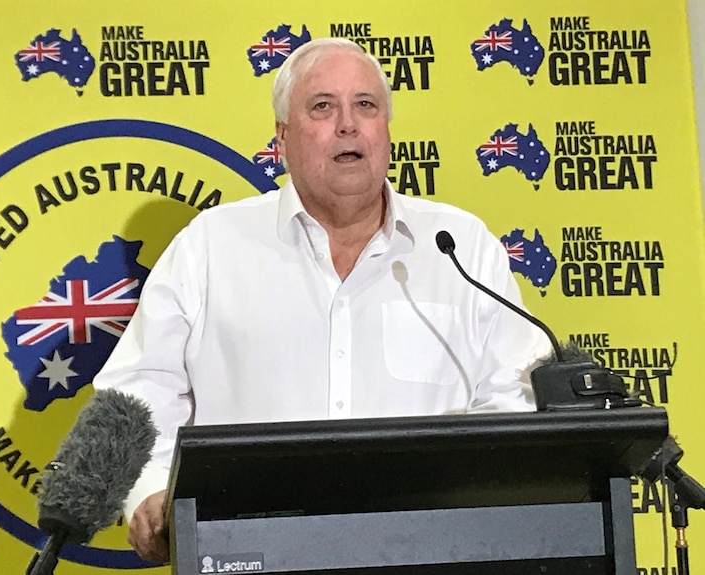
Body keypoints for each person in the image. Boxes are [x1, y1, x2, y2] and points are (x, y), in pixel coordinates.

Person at [92, 37, 552, 564]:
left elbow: (513, 397)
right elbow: (137, 388)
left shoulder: (460, 247)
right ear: (283, 138)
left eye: (366, 106)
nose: (348, 125)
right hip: (248, 548)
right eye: (323, 107)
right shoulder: (212, 247)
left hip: (431, 548)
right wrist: (151, 491)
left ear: (386, 130)